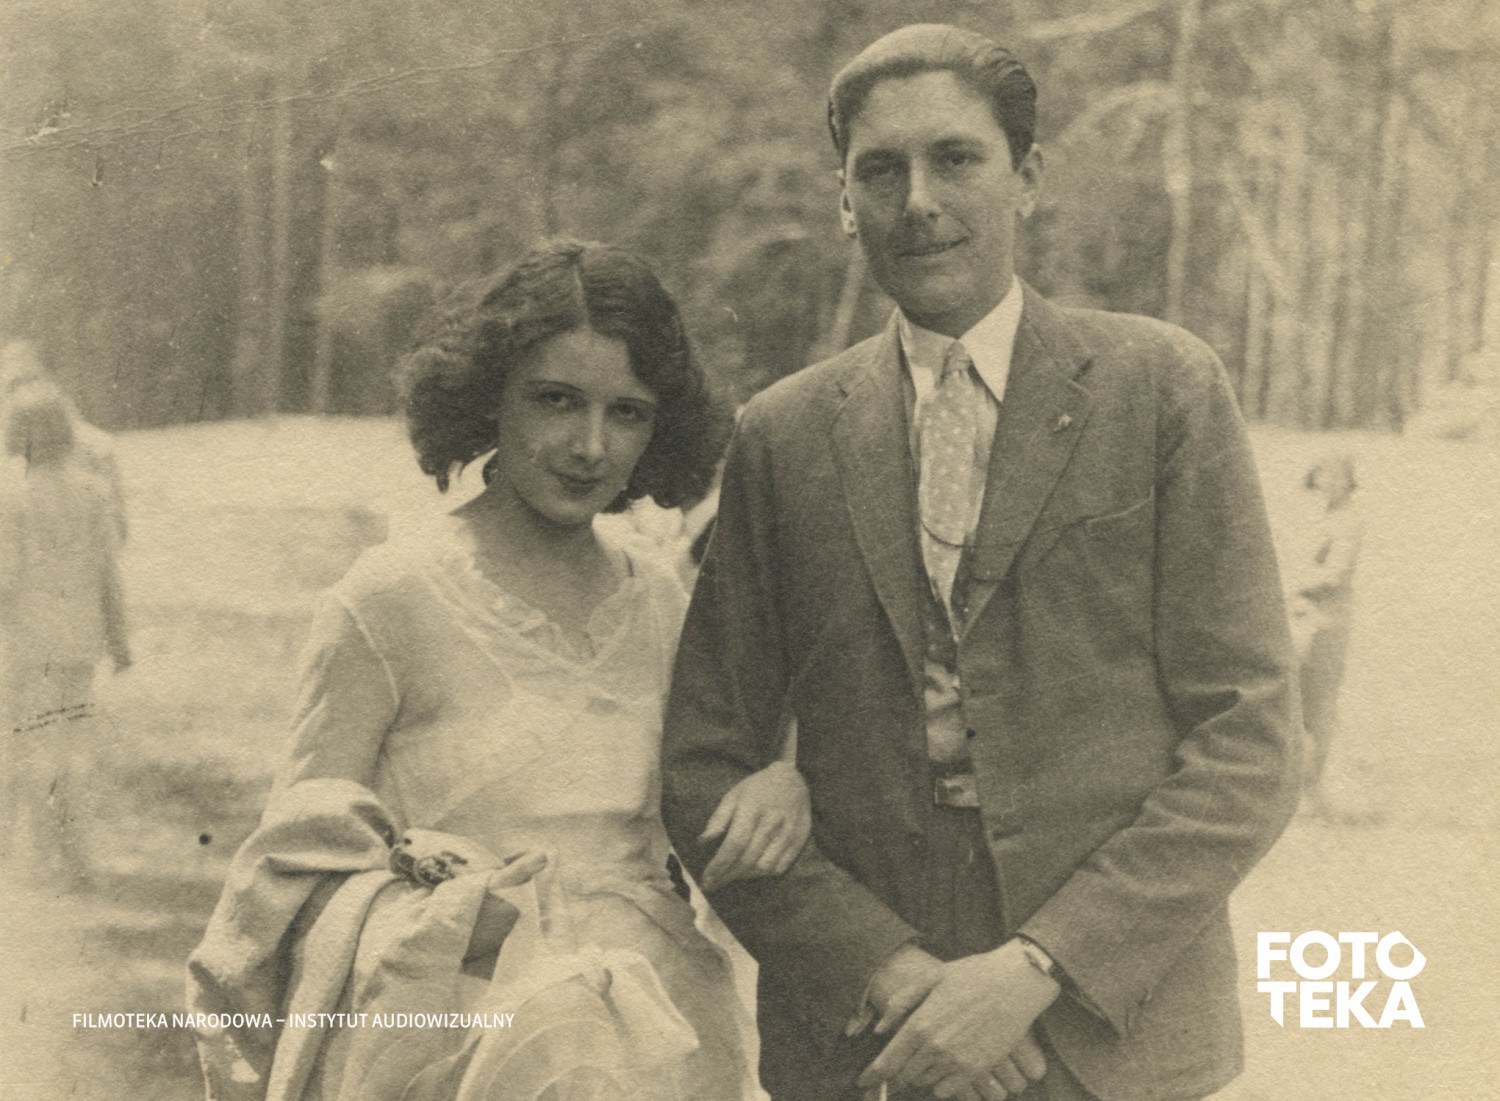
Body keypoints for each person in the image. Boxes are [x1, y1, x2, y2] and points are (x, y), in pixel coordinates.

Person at [661, 24, 1301, 1101]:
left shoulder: (1160, 388)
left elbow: (1250, 740)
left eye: (956, 158)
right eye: (881, 170)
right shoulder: (783, 434)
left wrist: (1038, 968)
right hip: (870, 1043)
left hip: (1110, 1038)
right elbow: (702, 764)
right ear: (844, 201)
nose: (918, 201)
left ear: (1029, 177)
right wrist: (891, 974)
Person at [187, 240, 810, 1100]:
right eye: (556, 400)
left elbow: (717, 802)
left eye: (627, 413)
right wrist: (444, 920)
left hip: (660, 1027)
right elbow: (289, 876)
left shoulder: (663, 600)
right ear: (489, 394)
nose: (590, 445)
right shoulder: (388, 598)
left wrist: (784, 779)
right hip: (453, 1029)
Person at [0, 385, 132, 882]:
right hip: (81, 637)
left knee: (30, 744)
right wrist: (120, 640)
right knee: (72, 744)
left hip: (27, 639)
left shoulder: (11, 497)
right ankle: (75, 857)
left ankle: (40, 858)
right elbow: (108, 574)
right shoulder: (93, 492)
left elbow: (5, 578)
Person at [1287, 452, 1362, 806]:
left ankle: (1311, 791)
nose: (1326, 483)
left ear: (1348, 482)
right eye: (1321, 476)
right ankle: (1293, 789)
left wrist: (1289, 583)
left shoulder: (1348, 521)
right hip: (1300, 618)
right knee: (1293, 701)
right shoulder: (1316, 517)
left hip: (1326, 623)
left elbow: (1335, 575)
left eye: (1334, 476)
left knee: (1319, 705)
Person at [1, 340, 128, 544]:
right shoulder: (8, 452)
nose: (24, 392)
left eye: (31, 379)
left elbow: (116, 525)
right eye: (13, 385)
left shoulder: (94, 444)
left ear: (50, 380)